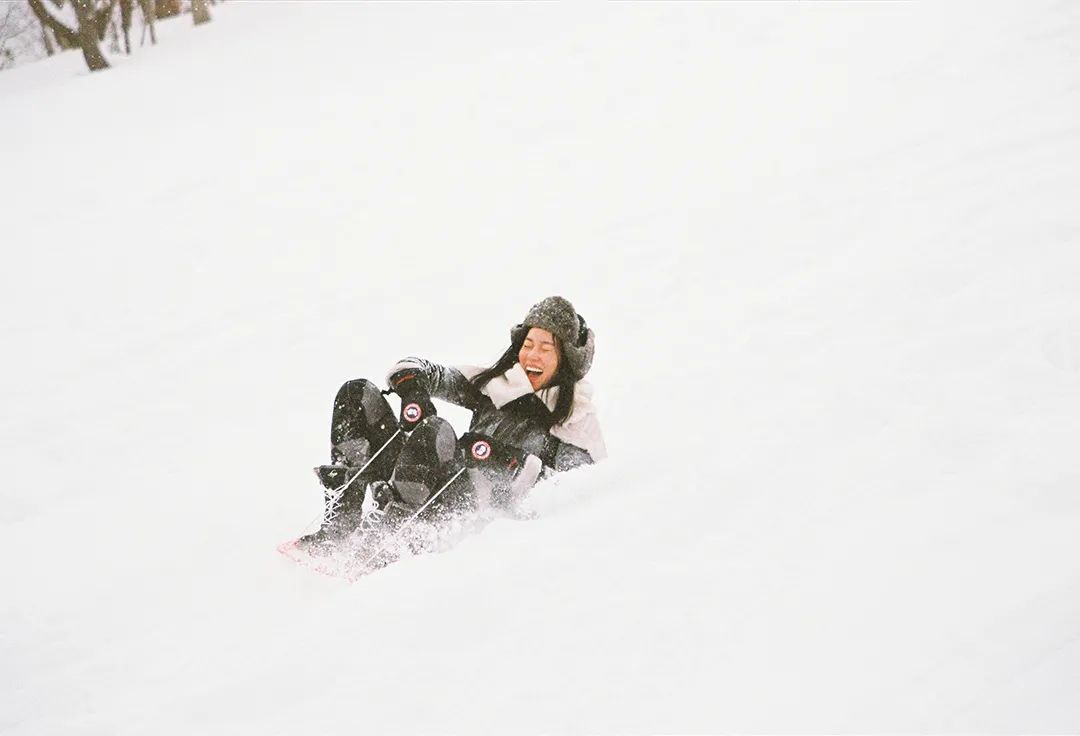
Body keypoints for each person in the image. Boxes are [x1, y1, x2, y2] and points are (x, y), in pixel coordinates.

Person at [297, 296, 606, 552]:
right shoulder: (497, 386)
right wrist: (413, 389)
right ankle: (341, 524)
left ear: (565, 359)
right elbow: (417, 369)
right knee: (356, 394)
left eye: (545, 348)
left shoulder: (576, 422)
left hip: (462, 512)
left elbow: (575, 496)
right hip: (423, 478)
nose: (532, 356)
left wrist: (505, 460)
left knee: (436, 432)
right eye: (528, 344)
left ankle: (389, 541)